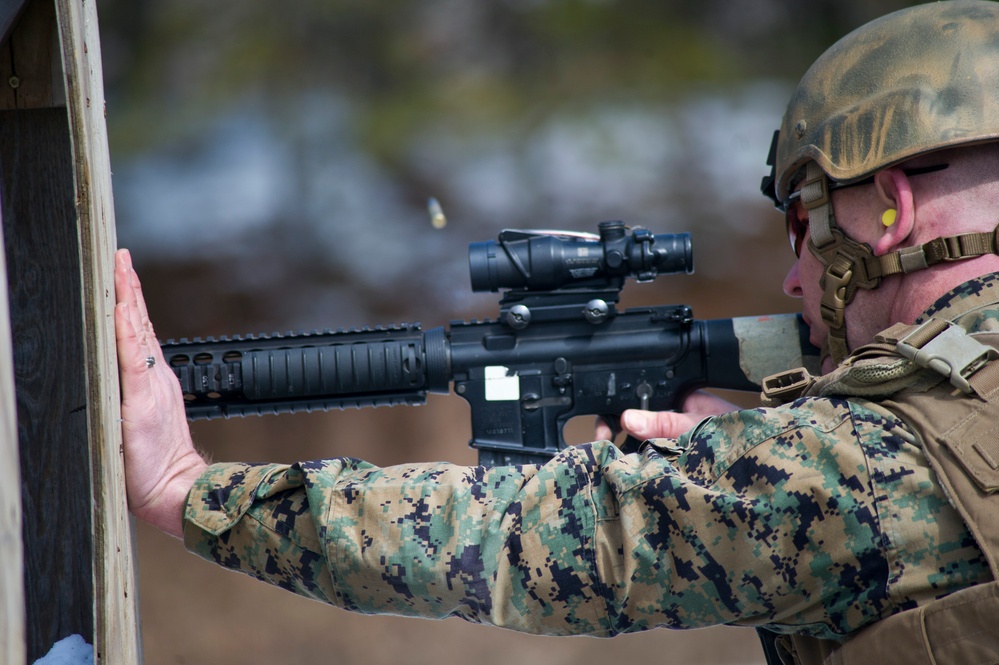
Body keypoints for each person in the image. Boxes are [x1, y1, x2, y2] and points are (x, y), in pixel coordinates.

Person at [115, 3, 999, 663]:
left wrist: (189, 489)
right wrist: (743, 469)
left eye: (805, 222)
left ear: (890, 206)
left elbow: (513, 539)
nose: (793, 276)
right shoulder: (869, 457)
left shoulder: (871, 466)